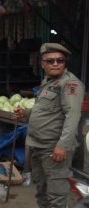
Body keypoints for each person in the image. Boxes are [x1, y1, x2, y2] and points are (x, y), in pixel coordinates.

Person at [14, 43, 84, 208]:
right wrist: (25, 113)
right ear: (43, 64)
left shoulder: (70, 85)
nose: (55, 64)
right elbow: (46, 110)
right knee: (41, 191)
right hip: (38, 146)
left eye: (60, 60)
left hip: (53, 149)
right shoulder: (48, 81)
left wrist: (63, 145)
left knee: (56, 197)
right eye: (50, 61)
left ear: (64, 63)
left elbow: (72, 116)